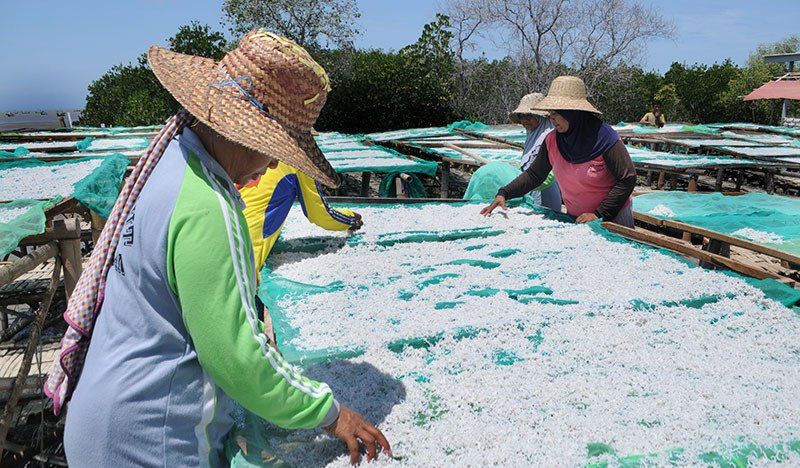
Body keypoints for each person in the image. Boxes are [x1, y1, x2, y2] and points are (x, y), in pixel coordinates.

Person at [47, 30, 391, 466]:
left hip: (106, 418)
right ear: (244, 134)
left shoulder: (170, 163)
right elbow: (237, 359)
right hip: (151, 439)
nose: (269, 165)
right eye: (272, 151)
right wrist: (331, 413)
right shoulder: (207, 206)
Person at [481, 76, 636, 228]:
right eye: (550, 113)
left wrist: (599, 213)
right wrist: (504, 193)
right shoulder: (552, 140)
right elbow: (534, 175)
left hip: (612, 218)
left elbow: (627, 178)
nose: (552, 118)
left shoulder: (605, 137)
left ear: (573, 112)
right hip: (577, 218)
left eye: (556, 113)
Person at [239, 161, 362, 273]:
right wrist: (350, 219)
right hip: (247, 256)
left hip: (229, 230)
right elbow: (319, 214)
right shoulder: (298, 162)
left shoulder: (247, 152)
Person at [509, 93, 563, 212]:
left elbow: (550, 174)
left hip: (544, 190)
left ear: (541, 117)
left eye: (529, 116)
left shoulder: (549, 137)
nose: (525, 120)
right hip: (530, 188)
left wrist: (521, 185)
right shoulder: (533, 135)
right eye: (521, 116)